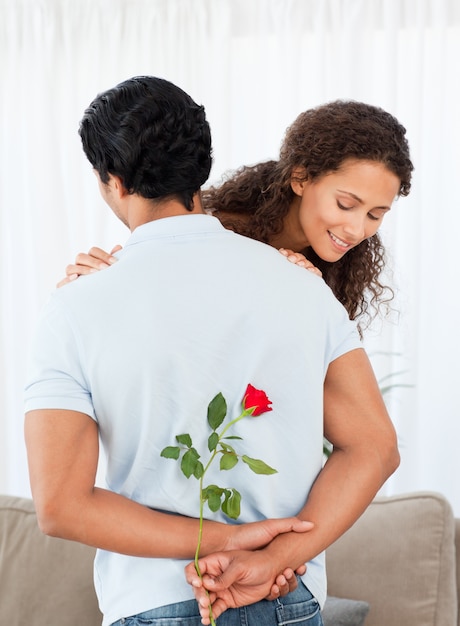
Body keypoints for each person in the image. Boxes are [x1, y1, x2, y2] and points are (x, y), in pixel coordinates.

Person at [24, 75, 399, 626]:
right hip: (283, 597)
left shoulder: (77, 305)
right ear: (202, 167)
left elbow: (60, 506)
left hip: (155, 597)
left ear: (113, 181)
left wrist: (228, 539)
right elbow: (376, 449)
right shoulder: (303, 288)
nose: (356, 226)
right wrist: (267, 553)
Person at [58, 99, 414, 335]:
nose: (356, 229)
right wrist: (99, 285)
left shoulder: (339, 268)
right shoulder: (221, 236)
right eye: (346, 205)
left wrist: (307, 295)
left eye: (375, 214)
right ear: (301, 178)